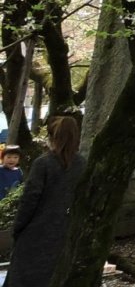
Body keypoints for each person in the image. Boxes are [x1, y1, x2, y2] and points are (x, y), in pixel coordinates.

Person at [8, 116, 86, 286]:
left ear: (53, 137)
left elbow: (29, 200)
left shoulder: (43, 164)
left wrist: (18, 228)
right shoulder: (82, 164)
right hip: (64, 234)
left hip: (35, 235)